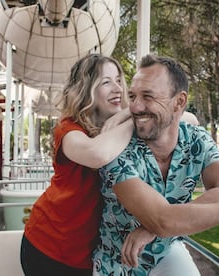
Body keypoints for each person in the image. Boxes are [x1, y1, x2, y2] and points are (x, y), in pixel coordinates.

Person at [93, 54, 219, 275]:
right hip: (118, 263)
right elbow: (163, 220)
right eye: (133, 96)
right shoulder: (117, 149)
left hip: (167, 251)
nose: (135, 107)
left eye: (148, 96)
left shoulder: (195, 139)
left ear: (179, 102)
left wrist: (151, 229)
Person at [20, 53, 134, 276]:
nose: (118, 89)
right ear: (86, 89)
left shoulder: (121, 127)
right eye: (106, 82)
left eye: (119, 80)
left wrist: (126, 116)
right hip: (48, 246)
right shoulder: (68, 129)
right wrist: (133, 118)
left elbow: (187, 119)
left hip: (89, 255)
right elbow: (96, 153)